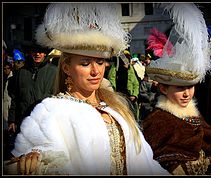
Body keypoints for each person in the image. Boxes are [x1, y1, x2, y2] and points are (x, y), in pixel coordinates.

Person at [5, 3, 169, 175]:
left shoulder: (117, 110)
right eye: (85, 63)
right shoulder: (50, 112)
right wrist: (37, 158)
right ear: (67, 67)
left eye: (100, 62)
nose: (95, 71)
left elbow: (144, 163)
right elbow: (42, 154)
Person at [141, 3, 211, 175]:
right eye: (180, 88)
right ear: (163, 88)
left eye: (190, 87)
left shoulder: (193, 114)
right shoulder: (156, 122)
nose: (187, 93)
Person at [7, 42, 57, 136]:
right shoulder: (21, 72)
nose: (37, 54)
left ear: (45, 53)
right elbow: (15, 98)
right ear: (30, 53)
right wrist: (12, 120)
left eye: (40, 52)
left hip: (46, 123)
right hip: (23, 122)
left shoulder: (54, 72)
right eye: (34, 51)